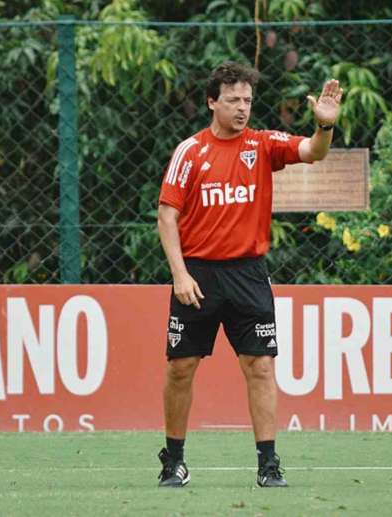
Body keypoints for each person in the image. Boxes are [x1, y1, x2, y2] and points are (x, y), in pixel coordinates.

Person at [156, 61, 343, 488]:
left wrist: (324, 126)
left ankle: (268, 465)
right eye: (233, 100)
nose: (242, 108)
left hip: (248, 274)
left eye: (247, 100)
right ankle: (174, 461)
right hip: (198, 275)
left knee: (260, 366)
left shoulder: (261, 145)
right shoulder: (190, 151)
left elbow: (312, 152)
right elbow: (167, 216)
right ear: (211, 102)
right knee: (180, 367)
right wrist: (180, 276)